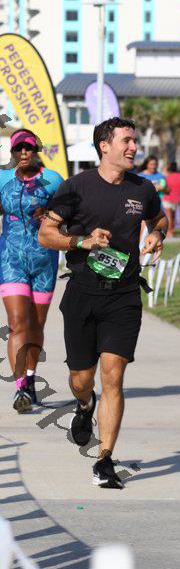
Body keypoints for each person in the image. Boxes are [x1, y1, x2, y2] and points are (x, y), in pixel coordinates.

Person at [38, 117, 168, 489]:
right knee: (82, 379)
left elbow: (159, 218)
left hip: (123, 295)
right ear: (104, 146)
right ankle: (84, 405)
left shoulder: (143, 188)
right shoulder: (75, 187)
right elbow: (46, 234)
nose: (134, 147)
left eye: (135, 141)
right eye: (126, 141)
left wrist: (157, 234)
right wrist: (82, 241)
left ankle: (105, 459)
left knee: (113, 376)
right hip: (82, 292)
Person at [0, 129, 63, 413]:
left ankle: (30, 376)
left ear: (36, 149)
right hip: (10, 259)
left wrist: (50, 216)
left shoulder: (54, 180)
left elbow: (71, 218)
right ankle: (20, 389)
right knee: (17, 323)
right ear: (13, 152)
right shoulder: (3, 179)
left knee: (36, 325)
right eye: (18, 148)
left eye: (28, 147)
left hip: (44, 260)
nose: (23, 152)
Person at [163, 161, 180, 238]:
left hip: (167, 197)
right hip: (176, 198)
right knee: (173, 216)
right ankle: (171, 231)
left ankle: (169, 232)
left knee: (169, 216)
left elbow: (164, 186)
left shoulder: (167, 177)